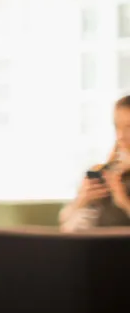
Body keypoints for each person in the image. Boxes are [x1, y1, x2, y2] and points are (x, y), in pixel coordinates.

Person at [60, 95, 130, 231]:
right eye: (117, 127)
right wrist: (82, 201)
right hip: (99, 248)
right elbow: (67, 230)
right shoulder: (102, 173)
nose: (121, 136)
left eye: (129, 127)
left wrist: (123, 201)